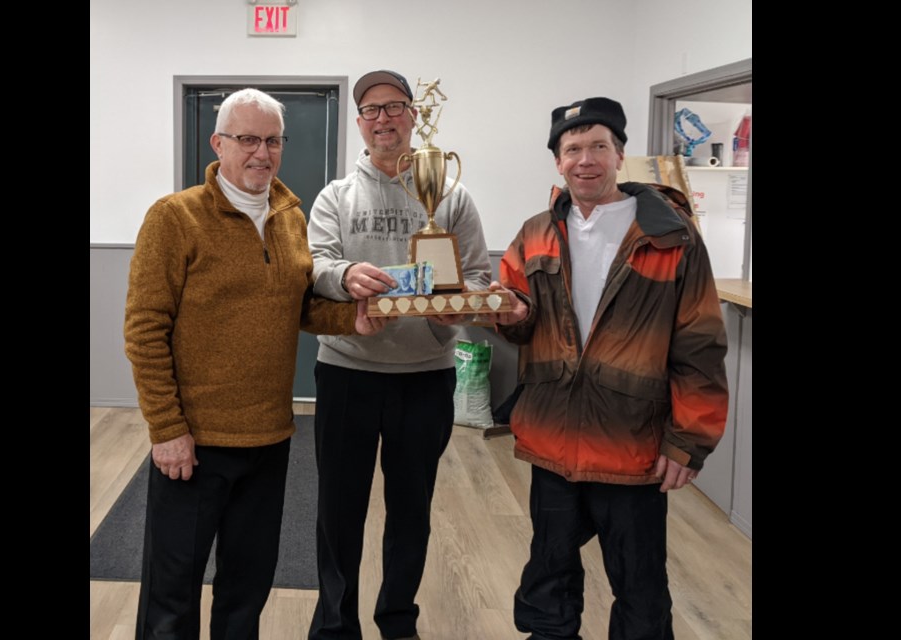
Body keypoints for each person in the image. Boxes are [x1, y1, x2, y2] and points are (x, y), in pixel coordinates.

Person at [124, 88, 385, 640]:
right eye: (247, 140)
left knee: (247, 588)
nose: (260, 153)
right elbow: (145, 331)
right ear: (219, 143)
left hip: (269, 438)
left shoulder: (290, 217)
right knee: (171, 596)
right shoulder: (175, 218)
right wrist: (167, 429)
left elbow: (298, 306)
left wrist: (350, 321)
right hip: (194, 442)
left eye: (272, 140)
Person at [484, 97, 729, 640]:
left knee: (640, 588)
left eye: (598, 146)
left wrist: (689, 439)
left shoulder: (671, 237)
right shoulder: (534, 234)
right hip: (552, 440)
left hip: (631, 443)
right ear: (558, 161)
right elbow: (515, 322)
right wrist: (509, 314)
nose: (585, 159)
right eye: (573, 149)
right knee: (548, 576)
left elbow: (701, 344)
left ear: (620, 155)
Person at [305, 70, 491, 640]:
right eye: (371, 110)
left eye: (393, 107)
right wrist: (345, 274)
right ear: (360, 124)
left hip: (425, 375)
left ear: (413, 116)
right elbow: (314, 266)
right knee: (339, 513)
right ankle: (336, 625)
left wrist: (459, 311)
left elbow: (479, 275)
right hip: (346, 372)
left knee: (412, 509)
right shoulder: (336, 196)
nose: (383, 118)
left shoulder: (452, 196)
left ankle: (398, 619)